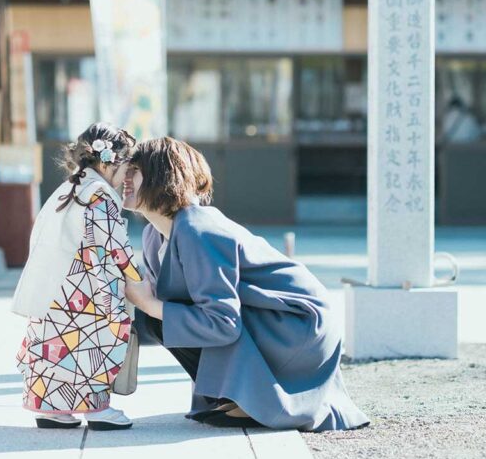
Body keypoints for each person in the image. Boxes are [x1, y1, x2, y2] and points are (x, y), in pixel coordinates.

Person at [122, 137, 370, 432]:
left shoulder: (198, 229)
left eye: (134, 170)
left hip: (296, 327)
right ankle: (237, 397)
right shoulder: (154, 234)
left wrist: (149, 304)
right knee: (160, 319)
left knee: (161, 316)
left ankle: (254, 399)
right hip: (267, 319)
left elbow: (223, 322)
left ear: (160, 175)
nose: (125, 178)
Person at [12, 123, 143, 431]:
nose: (126, 175)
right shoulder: (99, 195)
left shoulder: (68, 188)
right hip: (85, 292)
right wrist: (138, 279)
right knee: (90, 345)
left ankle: (50, 408)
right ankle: (96, 409)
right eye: (126, 166)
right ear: (110, 161)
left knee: (51, 347)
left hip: (52, 286)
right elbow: (115, 247)